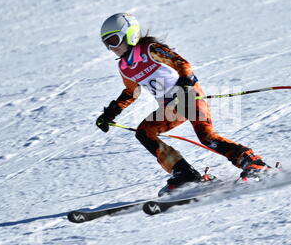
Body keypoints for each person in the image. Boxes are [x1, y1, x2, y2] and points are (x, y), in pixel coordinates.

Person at [96, 13, 271, 195]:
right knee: (145, 133)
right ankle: (184, 174)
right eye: (107, 44)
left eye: (114, 40)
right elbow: (132, 91)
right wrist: (112, 112)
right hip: (170, 107)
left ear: (129, 33)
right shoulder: (125, 66)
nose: (112, 48)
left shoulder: (149, 50)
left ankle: (254, 164)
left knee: (207, 137)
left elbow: (181, 63)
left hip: (188, 96)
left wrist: (185, 82)